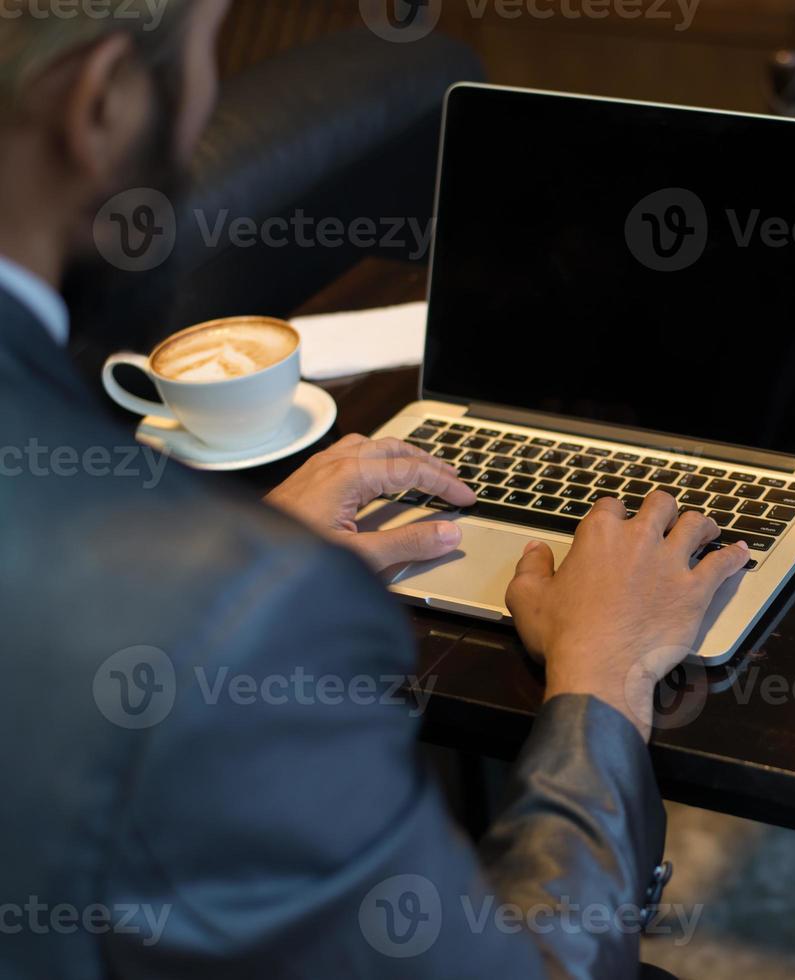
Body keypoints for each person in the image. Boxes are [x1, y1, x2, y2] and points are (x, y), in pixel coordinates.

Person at [0, 2, 748, 976]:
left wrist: (215, 581)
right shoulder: (238, 611)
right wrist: (600, 687)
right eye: (203, 63)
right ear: (99, 99)